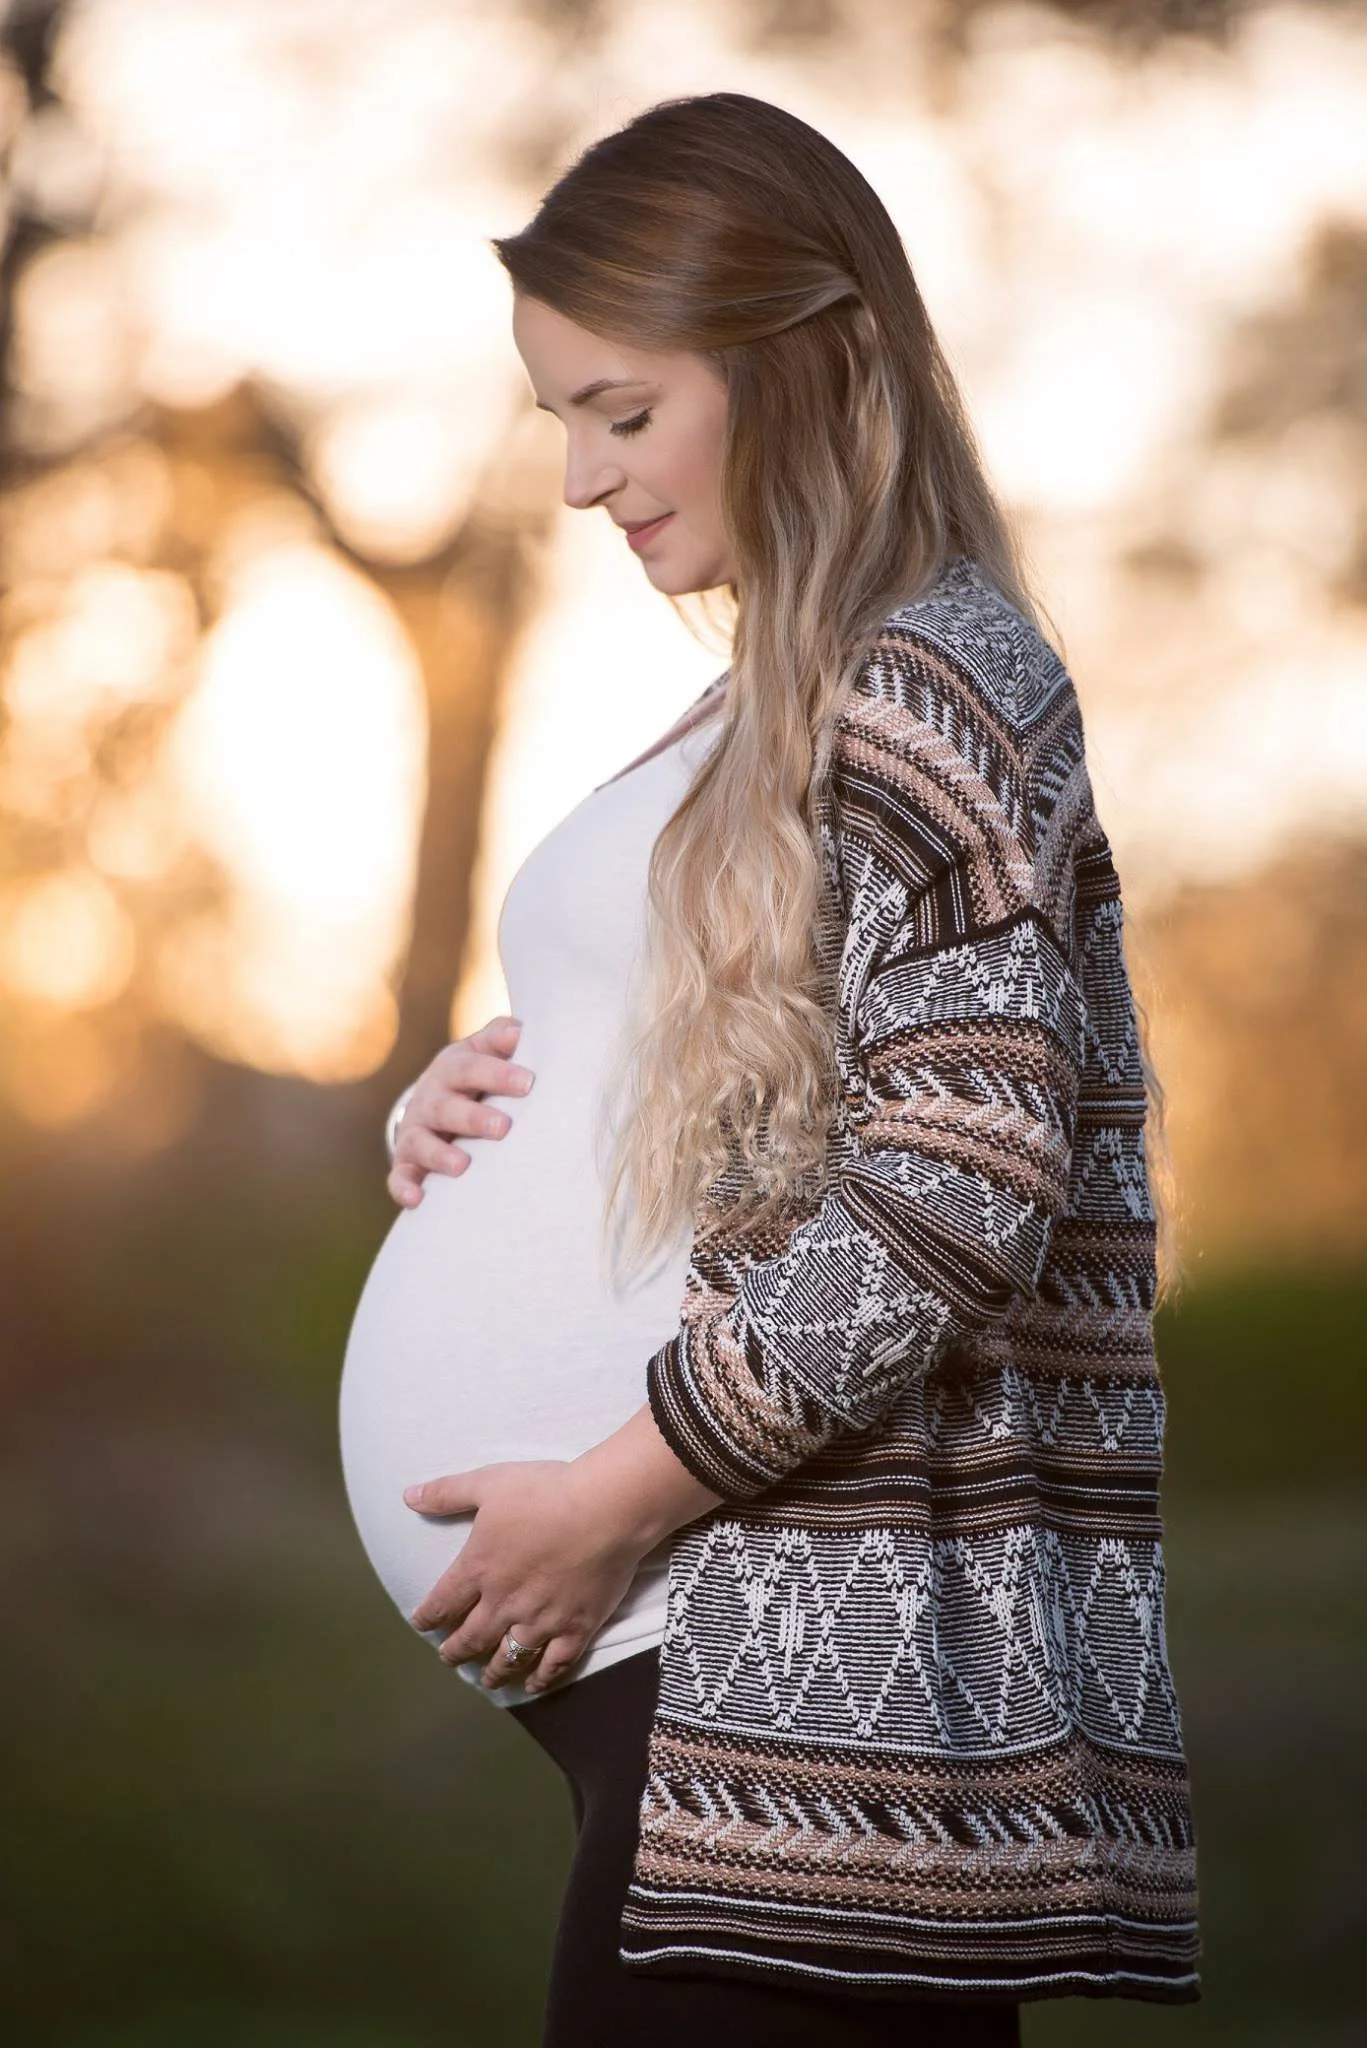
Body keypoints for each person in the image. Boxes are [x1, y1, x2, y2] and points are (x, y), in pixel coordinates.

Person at [338, 91, 1200, 2048]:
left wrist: (615, 1497)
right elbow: (767, 1075)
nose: (577, 480)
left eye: (620, 412)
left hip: (777, 1688)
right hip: (700, 1687)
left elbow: (955, 1179)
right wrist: (484, 1095)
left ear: (799, 363)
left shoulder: (933, 668)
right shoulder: (779, 697)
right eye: (554, 416)